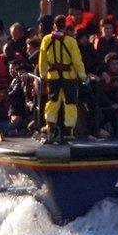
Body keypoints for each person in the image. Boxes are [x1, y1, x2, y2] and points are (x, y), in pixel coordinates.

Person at [39, 15, 88, 143]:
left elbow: (42, 59)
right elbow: (77, 61)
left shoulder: (46, 39)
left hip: (53, 76)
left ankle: (50, 128)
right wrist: (83, 75)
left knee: (52, 102)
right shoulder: (71, 41)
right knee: (70, 103)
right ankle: (68, 131)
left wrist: (42, 74)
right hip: (69, 77)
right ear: (64, 26)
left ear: (54, 26)